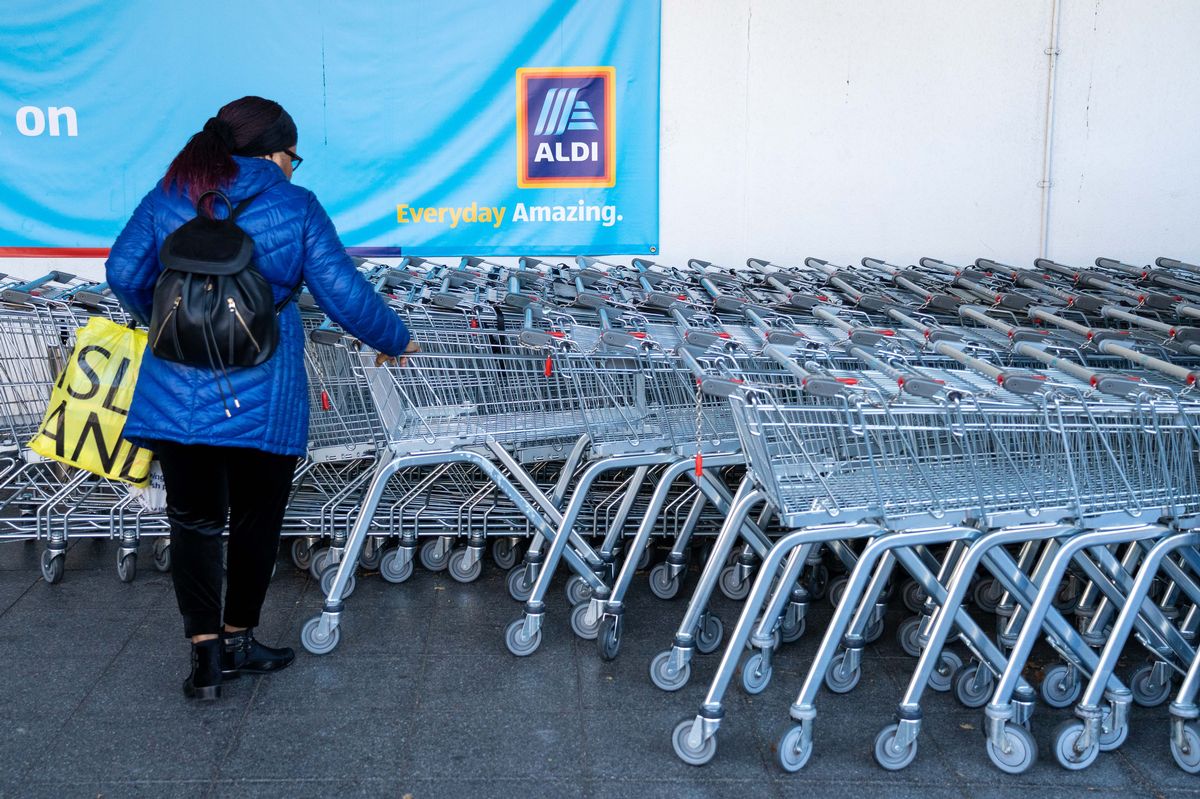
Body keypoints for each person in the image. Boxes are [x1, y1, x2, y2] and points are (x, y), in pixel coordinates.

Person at [106, 96, 417, 701]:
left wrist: (173, 322)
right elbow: (343, 293)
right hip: (263, 389)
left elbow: (122, 272)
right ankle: (240, 638)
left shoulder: (172, 192)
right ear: (273, 152)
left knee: (193, 521)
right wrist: (394, 339)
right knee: (255, 521)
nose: (294, 168)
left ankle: (204, 660)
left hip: (175, 391)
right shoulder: (293, 204)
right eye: (293, 157)